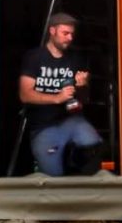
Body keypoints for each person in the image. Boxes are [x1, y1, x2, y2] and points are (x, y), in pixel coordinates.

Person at [19, 12, 102, 176]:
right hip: (43, 127)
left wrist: (83, 86)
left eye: (72, 34)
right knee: (52, 176)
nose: (70, 38)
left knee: (94, 148)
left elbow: (84, 100)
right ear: (52, 31)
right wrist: (57, 98)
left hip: (72, 121)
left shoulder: (75, 60)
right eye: (65, 33)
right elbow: (25, 94)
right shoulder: (34, 57)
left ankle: (77, 173)